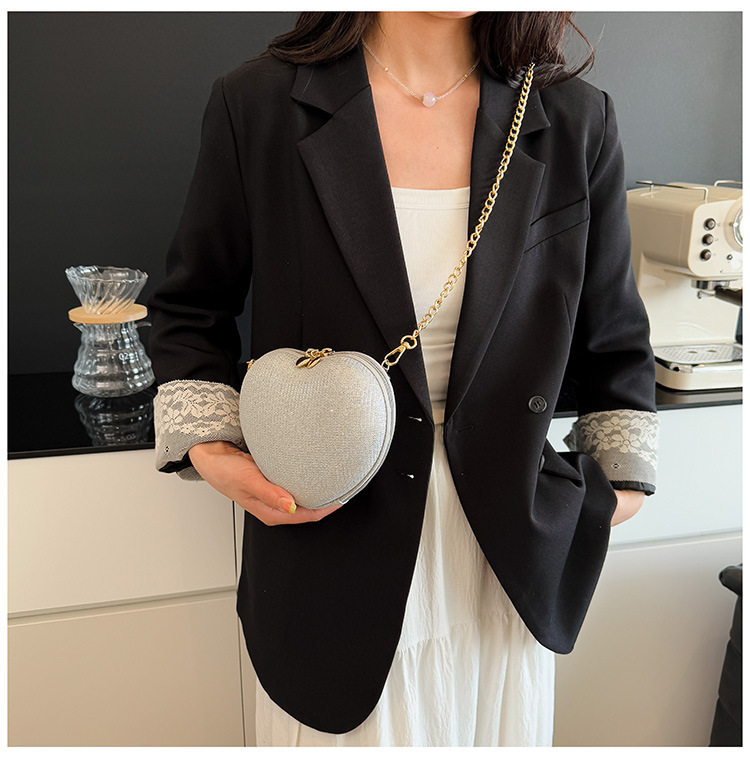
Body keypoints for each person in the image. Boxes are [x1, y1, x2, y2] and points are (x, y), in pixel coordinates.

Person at [147, 11, 660, 747]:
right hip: (328, 545)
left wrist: (619, 492)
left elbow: (615, 337)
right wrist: (213, 450)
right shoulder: (257, 104)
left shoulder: (576, 117)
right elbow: (192, 308)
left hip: (510, 563)